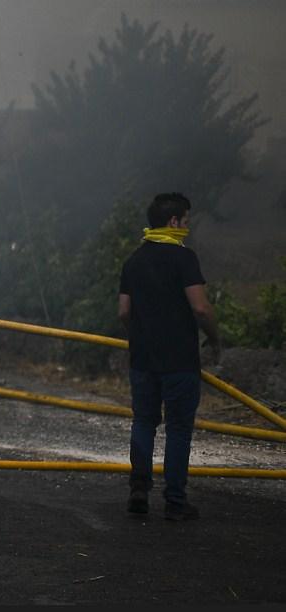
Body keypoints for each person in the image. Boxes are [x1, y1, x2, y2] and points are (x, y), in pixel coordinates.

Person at [119, 192, 220, 521]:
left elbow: (124, 311)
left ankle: (139, 489)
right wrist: (215, 338)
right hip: (180, 362)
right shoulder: (184, 258)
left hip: (143, 359)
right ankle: (175, 501)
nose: (187, 228)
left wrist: (141, 332)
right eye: (186, 221)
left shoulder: (133, 261)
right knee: (178, 429)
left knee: (144, 422)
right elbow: (201, 308)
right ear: (173, 221)